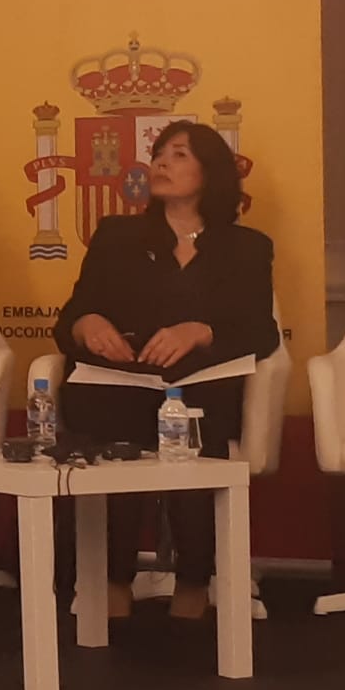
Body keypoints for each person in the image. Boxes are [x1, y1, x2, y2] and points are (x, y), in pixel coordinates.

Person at [53, 120, 278, 622]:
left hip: (198, 386)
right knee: (116, 432)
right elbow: (71, 318)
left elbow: (261, 333)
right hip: (121, 382)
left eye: (179, 155)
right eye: (158, 154)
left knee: (194, 432)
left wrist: (201, 331)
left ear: (210, 172)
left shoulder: (247, 247)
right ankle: (112, 581)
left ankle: (194, 583)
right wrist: (88, 325)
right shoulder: (117, 235)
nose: (160, 163)